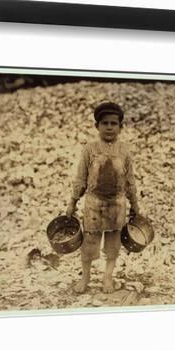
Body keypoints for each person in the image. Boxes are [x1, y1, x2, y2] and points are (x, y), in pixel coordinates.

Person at [66, 101, 140, 293]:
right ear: (96, 126)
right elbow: (81, 178)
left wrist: (135, 205)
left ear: (120, 127)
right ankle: (86, 278)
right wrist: (72, 203)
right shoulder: (90, 150)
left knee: (113, 244)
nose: (109, 127)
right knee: (89, 243)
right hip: (94, 204)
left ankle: (108, 278)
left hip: (117, 204)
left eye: (113, 123)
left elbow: (130, 180)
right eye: (105, 123)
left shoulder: (124, 151)